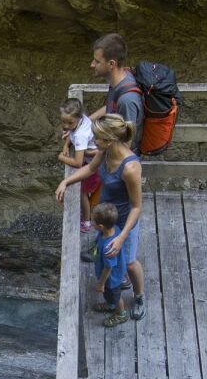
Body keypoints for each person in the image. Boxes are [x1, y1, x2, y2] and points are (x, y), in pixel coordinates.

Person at [55, 114, 145, 320]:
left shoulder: (130, 167)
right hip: (106, 216)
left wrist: (121, 237)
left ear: (110, 139)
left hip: (124, 220)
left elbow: (137, 207)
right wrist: (66, 182)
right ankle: (114, 296)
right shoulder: (104, 151)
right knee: (107, 256)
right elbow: (90, 168)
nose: (93, 140)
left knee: (130, 262)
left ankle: (139, 296)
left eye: (97, 137)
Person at [87, 32, 143, 154]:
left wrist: (94, 152)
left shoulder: (127, 99)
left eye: (97, 61)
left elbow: (126, 145)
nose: (92, 64)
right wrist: (85, 122)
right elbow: (113, 105)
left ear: (111, 64)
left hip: (121, 166)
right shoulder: (122, 79)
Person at [57, 97, 99, 233]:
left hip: (92, 165)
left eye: (69, 122)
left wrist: (62, 158)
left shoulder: (81, 135)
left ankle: (86, 222)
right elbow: (72, 131)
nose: (66, 126)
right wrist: (66, 145)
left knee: (83, 193)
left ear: (78, 118)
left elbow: (77, 162)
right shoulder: (83, 120)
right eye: (63, 121)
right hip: (96, 159)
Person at [91, 201, 128, 327]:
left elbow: (108, 268)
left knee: (115, 296)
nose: (92, 223)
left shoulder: (109, 247)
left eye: (93, 222)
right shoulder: (115, 228)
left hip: (111, 279)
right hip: (115, 275)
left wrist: (101, 283)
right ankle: (110, 304)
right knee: (111, 296)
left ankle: (120, 313)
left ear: (101, 226)